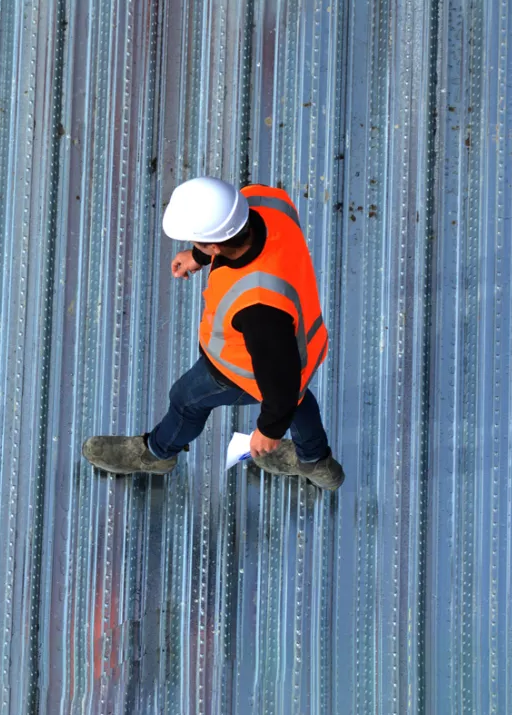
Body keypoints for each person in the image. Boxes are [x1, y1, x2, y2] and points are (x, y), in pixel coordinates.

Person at [82, 176, 344, 490]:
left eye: (199, 243)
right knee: (299, 398)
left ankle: (157, 454)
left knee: (186, 400)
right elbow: (235, 231)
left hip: (238, 369)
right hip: (306, 340)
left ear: (217, 244)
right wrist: (199, 256)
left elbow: (281, 385)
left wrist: (270, 430)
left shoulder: (258, 307)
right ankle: (316, 462)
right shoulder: (266, 200)